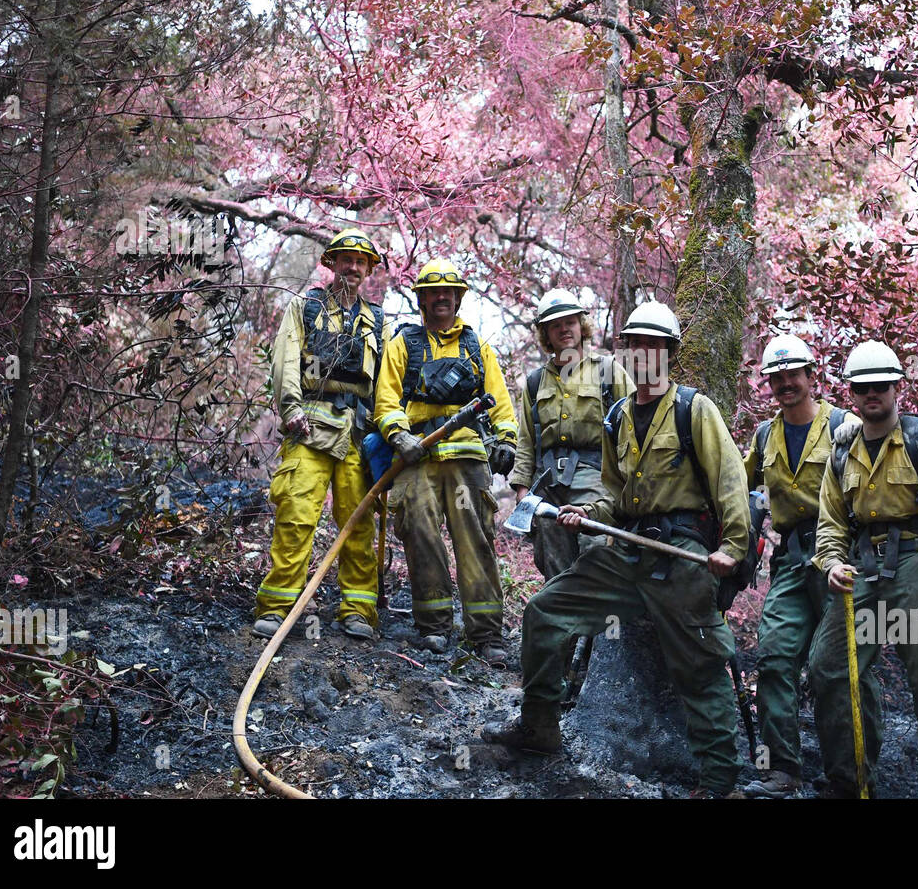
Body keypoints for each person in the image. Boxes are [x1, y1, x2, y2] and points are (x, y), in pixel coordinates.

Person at [482, 300, 749, 797]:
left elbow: (730, 482)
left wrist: (733, 548)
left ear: (669, 353)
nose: (644, 354)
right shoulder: (619, 417)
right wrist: (591, 516)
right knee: (543, 610)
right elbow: (613, 494)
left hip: (682, 556)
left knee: (701, 660)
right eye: (636, 345)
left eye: (655, 346)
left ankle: (719, 781)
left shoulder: (695, 409)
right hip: (626, 555)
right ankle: (540, 728)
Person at [807, 340, 918, 798]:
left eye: (879, 385)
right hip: (861, 567)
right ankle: (852, 783)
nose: (871, 394)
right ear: (852, 394)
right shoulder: (841, 454)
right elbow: (831, 523)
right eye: (861, 387)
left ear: (896, 386)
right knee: (830, 669)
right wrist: (832, 563)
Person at [372, 258, 518, 665]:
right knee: (421, 537)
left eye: (449, 293)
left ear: (458, 299)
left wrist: (506, 441)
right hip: (416, 457)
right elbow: (385, 399)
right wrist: (399, 435)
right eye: (433, 292)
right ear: (421, 299)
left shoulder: (477, 348)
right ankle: (434, 627)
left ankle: (487, 635)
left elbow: (502, 404)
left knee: (476, 540)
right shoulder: (403, 345)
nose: (442, 298)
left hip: (467, 459)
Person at [254, 229, 390, 641]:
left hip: (356, 434)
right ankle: (277, 607)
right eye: (345, 259)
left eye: (360, 261)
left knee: (358, 523)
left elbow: (385, 383)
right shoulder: (306, 306)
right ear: (330, 263)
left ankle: (358, 610)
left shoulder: (378, 320)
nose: (352, 266)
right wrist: (291, 408)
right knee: (295, 515)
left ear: (369, 270)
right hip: (309, 428)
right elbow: (285, 357)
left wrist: (387, 432)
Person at [741, 335, 860, 798]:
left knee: (835, 670)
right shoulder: (765, 435)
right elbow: (736, 483)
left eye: (795, 374)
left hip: (842, 559)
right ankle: (781, 771)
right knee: (773, 657)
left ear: (813, 376)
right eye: (777, 376)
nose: (786, 383)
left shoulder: (844, 426)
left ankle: (847, 780)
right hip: (791, 558)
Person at [508, 288, 634, 581]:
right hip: (548, 480)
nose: (564, 329)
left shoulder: (607, 370)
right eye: (555, 325)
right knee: (551, 552)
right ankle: (562, 624)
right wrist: (522, 489)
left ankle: (599, 623)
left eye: (570, 322)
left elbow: (634, 428)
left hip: (597, 475)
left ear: (581, 326)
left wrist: (630, 482)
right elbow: (526, 439)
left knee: (596, 546)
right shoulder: (535, 381)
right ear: (546, 334)